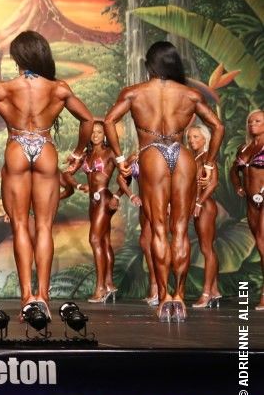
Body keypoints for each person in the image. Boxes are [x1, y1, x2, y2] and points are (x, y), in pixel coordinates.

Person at [0, 31, 93, 318]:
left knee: (20, 226)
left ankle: (27, 298)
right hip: (45, 147)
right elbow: (87, 119)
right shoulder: (58, 88)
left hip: (17, 147)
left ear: (17, 57)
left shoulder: (2, 88)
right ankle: (43, 296)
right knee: (44, 227)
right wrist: (78, 153)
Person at [104, 41, 223, 322]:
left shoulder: (134, 92)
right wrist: (208, 163)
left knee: (159, 229)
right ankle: (179, 297)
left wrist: (120, 159)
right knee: (180, 230)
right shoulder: (189, 94)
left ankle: (164, 297)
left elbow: (109, 121)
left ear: (149, 65)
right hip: (181, 155)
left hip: (152, 153)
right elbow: (218, 126)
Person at [62, 121, 120, 303]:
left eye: (99, 132)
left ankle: (100, 287)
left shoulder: (110, 152)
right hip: (92, 201)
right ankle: (110, 284)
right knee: (104, 241)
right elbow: (66, 174)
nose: (95, 135)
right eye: (92, 132)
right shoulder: (85, 155)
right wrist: (79, 185)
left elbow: (126, 175)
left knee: (94, 239)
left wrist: (117, 196)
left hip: (104, 198)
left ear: (105, 134)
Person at [230, 109, 264, 311]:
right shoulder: (244, 148)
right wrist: (238, 187)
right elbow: (234, 171)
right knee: (260, 246)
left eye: (257, 121)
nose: (253, 124)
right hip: (251, 203)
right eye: (250, 122)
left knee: (262, 243)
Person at [116, 153, 159, 306]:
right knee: (146, 243)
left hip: (160, 202)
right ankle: (155, 286)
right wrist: (131, 195)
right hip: (144, 205)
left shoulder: (162, 153)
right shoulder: (136, 156)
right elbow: (120, 178)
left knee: (159, 243)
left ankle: (161, 289)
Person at [186, 124, 221, 308]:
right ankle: (215, 291)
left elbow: (213, 183)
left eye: (196, 137)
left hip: (205, 206)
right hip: (197, 205)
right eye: (190, 137)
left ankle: (206, 293)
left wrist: (199, 202)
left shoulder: (208, 157)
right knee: (205, 247)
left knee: (207, 249)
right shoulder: (193, 157)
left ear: (205, 139)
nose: (192, 140)